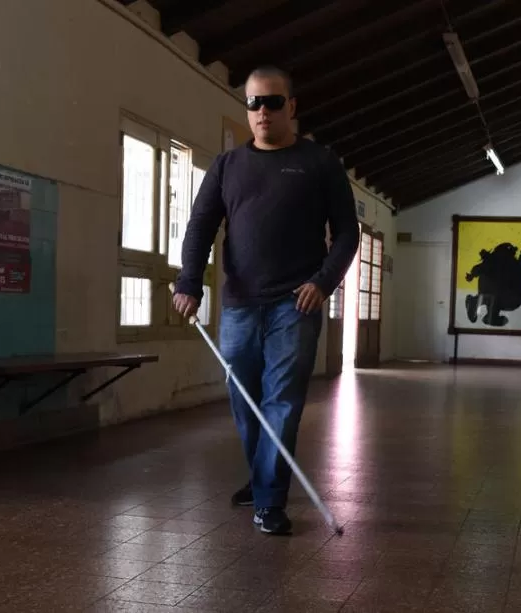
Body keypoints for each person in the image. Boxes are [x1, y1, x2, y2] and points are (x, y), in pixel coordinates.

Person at [172, 66, 360, 535]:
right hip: (238, 305)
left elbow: (347, 233)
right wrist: (188, 282)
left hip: (295, 305)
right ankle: (261, 478)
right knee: (245, 400)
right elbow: (199, 228)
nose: (261, 112)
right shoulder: (227, 167)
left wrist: (324, 281)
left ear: (291, 107)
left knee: (281, 401)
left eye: (272, 102)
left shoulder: (320, 163)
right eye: (253, 103)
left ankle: (270, 500)